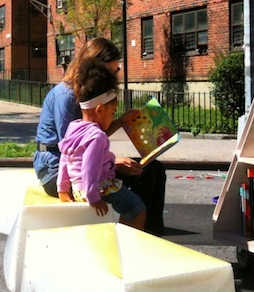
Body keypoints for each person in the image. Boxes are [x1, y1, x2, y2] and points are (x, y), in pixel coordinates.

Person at [33, 37, 166, 235]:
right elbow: (70, 150)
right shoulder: (66, 96)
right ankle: (139, 232)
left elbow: (92, 134)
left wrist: (121, 121)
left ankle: (150, 233)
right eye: (111, 71)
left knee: (154, 169)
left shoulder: (88, 92)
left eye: (116, 71)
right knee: (143, 176)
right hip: (57, 170)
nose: (113, 76)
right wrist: (113, 161)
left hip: (79, 165)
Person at [57, 59, 146, 229]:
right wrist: (94, 198)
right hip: (99, 189)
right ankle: (128, 242)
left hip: (78, 190)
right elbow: (90, 169)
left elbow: (65, 159)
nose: (113, 117)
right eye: (112, 112)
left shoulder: (73, 128)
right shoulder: (97, 137)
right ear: (99, 110)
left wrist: (62, 188)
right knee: (137, 209)